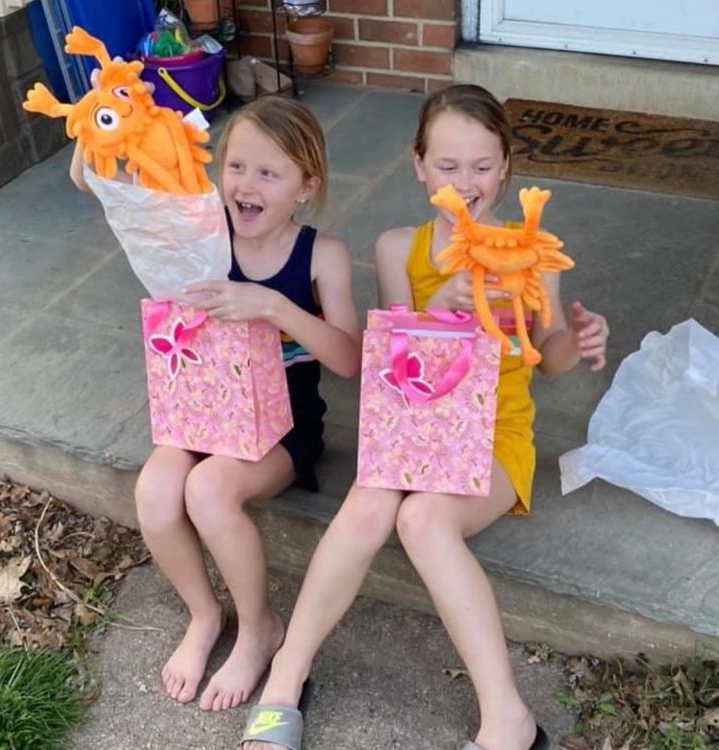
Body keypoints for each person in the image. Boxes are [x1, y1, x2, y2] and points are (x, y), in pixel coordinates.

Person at [240, 84, 609, 750]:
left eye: (482, 166)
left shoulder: (531, 250)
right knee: (369, 503)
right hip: (416, 423)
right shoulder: (396, 248)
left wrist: (576, 342)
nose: (465, 182)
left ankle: (508, 720)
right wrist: (442, 302)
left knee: (422, 519)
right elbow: (393, 360)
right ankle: (286, 678)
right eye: (447, 165)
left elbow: (547, 358)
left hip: (495, 433)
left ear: (506, 168)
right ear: (418, 165)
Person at [72, 96, 361, 712]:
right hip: (204, 411)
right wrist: (99, 119)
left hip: (283, 426)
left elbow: (349, 360)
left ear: (306, 186)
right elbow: (95, 183)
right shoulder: (198, 230)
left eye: (269, 173)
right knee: (156, 490)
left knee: (207, 490)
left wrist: (275, 307)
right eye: (236, 167)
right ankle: (204, 615)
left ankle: (258, 628)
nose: (246, 185)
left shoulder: (321, 255)